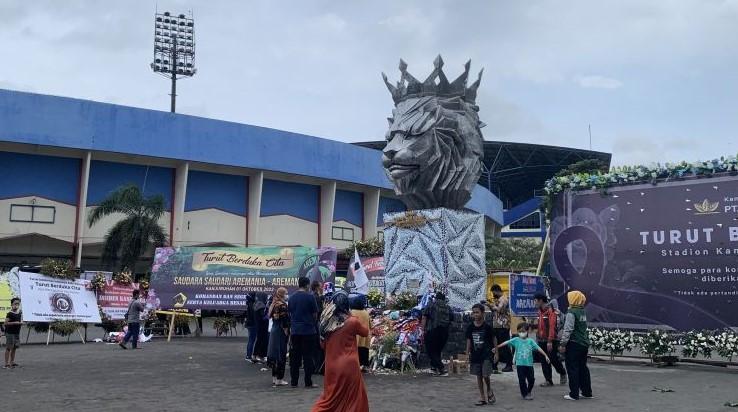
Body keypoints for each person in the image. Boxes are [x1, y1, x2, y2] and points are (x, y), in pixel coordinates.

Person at [312, 292, 369, 412]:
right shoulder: (352, 321)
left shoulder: (326, 323)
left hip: (331, 364)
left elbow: (322, 345)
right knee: (353, 396)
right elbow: (365, 332)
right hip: (349, 363)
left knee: (330, 397)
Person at [496, 323, 550, 400]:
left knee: (531, 379)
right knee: (522, 380)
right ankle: (524, 394)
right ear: (518, 332)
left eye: (523, 331)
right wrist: (497, 347)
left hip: (529, 364)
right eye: (520, 331)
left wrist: (545, 355)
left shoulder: (530, 341)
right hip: (520, 364)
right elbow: (506, 342)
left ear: (527, 331)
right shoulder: (516, 340)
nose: (522, 333)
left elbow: (538, 348)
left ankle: (529, 391)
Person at [560, 290, 593, 401]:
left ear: (573, 299)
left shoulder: (571, 312)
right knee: (583, 368)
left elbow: (568, 329)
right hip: (584, 343)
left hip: (574, 344)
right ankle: (587, 392)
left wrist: (563, 344)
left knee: (572, 368)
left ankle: (574, 394)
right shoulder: (582, 311)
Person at [289, 276, 319, 388]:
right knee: (308, 357)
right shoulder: (310, 297)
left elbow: (290, 313)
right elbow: (315, 314)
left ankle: (294, 381)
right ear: (307, 285)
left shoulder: (292, 298)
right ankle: (308, 381)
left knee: (294, 357)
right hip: (308, 331)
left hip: (295, 331)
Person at [534, 293, 567, 386]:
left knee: (553, 359)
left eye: (535, 300)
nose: (534, 303)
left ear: (540, 300)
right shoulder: (539, 312)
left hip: (551, 340)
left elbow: (552, 327)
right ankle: (548, 380)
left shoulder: (550, 311)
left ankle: (562, 372)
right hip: (541, 340)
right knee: (544, 360)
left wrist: (549, 341)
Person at [466, 303, 496, 406]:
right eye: (473, 313)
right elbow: (469, 340)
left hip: (486, 354)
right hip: (475, 355)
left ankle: (489, 389)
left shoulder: (487, 327)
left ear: (483, 313)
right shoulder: (470, 327)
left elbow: (494, 338)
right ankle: (482, 397)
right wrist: (467, 353)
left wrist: (496, 352)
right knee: (478, 376)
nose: (475, 314)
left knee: (485, 374)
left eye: (477, 312)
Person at [421, 291, 453, 376]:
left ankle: (442, 369)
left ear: (436, 298)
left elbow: (424, 317)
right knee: (437, 351)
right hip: (444, 332)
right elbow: (452, 318)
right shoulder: (448, 307)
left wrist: (422, 330)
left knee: (430, 351)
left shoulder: (431, 305)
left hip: (432, 330)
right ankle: (434, 369)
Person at [267, 288, 290, 387]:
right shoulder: (283, 305)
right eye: (286, 293)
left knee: (274, 354)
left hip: (274, 330)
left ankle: (274, 378)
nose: (287, 295)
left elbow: (270, 316)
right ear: (282, 294)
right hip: (281, 330)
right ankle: (280, 379)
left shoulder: (273, 303)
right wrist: (286, 332)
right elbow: (285, 321)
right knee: (281, 354)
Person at [487, 284, 513, 372]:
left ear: (497, 290)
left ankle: (509, 365)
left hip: (503, 326)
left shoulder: (504, 299)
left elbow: (499, 309)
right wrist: (490, 306)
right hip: (497, 325)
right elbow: (495, 311)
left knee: (504, 345)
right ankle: (494, 365)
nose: (493, 294)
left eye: (493, 292)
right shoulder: (498, 300)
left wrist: (490, 305)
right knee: (495, 345)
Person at [351, 297, 371, 372]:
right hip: (365, 336)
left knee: (356, 352)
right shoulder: (366, 313)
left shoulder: (352, 312)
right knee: (364, 351)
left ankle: (355, 366)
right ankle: (364, 366)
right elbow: (370, 324)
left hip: (355, 336)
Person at [311, 280, 326, 374]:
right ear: (317, 287)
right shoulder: (317, 298)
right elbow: (319, 312)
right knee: (318, 346)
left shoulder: (313, 296)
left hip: (313, 324)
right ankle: (318, 367)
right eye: (320, 286)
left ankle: (315, 367)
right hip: (317, 324)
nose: (322, 287)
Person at [4, 297, 22, 369]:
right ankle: (6, 364)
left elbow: (19, 322)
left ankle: (12, 362)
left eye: (18, 304)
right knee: (9, 348)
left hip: (16, 333)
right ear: (11, 304)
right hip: (10, 333)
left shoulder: (19, 313)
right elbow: (5, 323)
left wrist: (21, 323)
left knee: (14, 348)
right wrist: (15, 323)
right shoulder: (9, 314)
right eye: (15, 304)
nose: (16, 305)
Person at [253, 293, 270, 363]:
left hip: (259, 326)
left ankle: (256, 356)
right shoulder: (261, 306)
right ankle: (259, 356)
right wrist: (269, 314)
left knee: (259, 340)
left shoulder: (256, 304)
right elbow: (264, 317)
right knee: (262, 341)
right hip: (263, 327)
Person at [245, 293, 257, 362]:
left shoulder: (249, 303)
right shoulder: (252, 305)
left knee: (251, 340)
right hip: (252, 324)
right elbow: (254, 316)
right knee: (251, 340)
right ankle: (249, 356)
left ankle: (248, 355)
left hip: (250, 324)